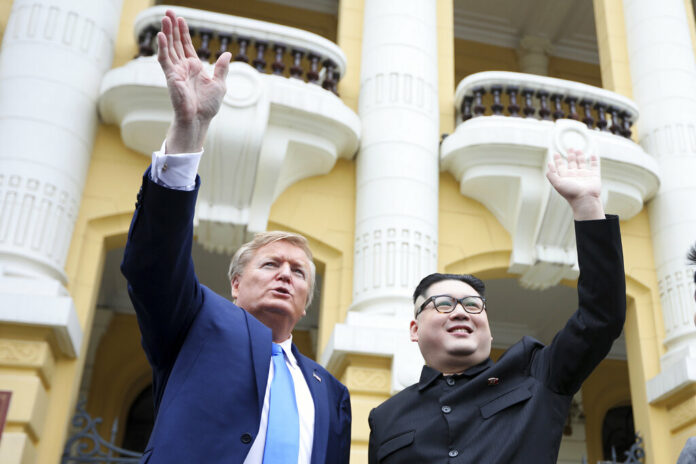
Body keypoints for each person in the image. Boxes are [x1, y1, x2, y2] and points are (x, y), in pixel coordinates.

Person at [121, 10, 350, 464]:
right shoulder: (195, 325)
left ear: (307, 302)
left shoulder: (332, 393)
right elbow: (155, 262)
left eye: (299, 272)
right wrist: (189, 130)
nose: (286, 275)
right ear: (236, 284)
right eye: (270, 264)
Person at [367, 149, 626, 463]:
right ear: (414, 329)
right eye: (444, 304)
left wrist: (587, 205)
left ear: (488, 332)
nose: (461, 311)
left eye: (474, 305)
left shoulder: (537, 375)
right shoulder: (386, 418)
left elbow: (601, 317)